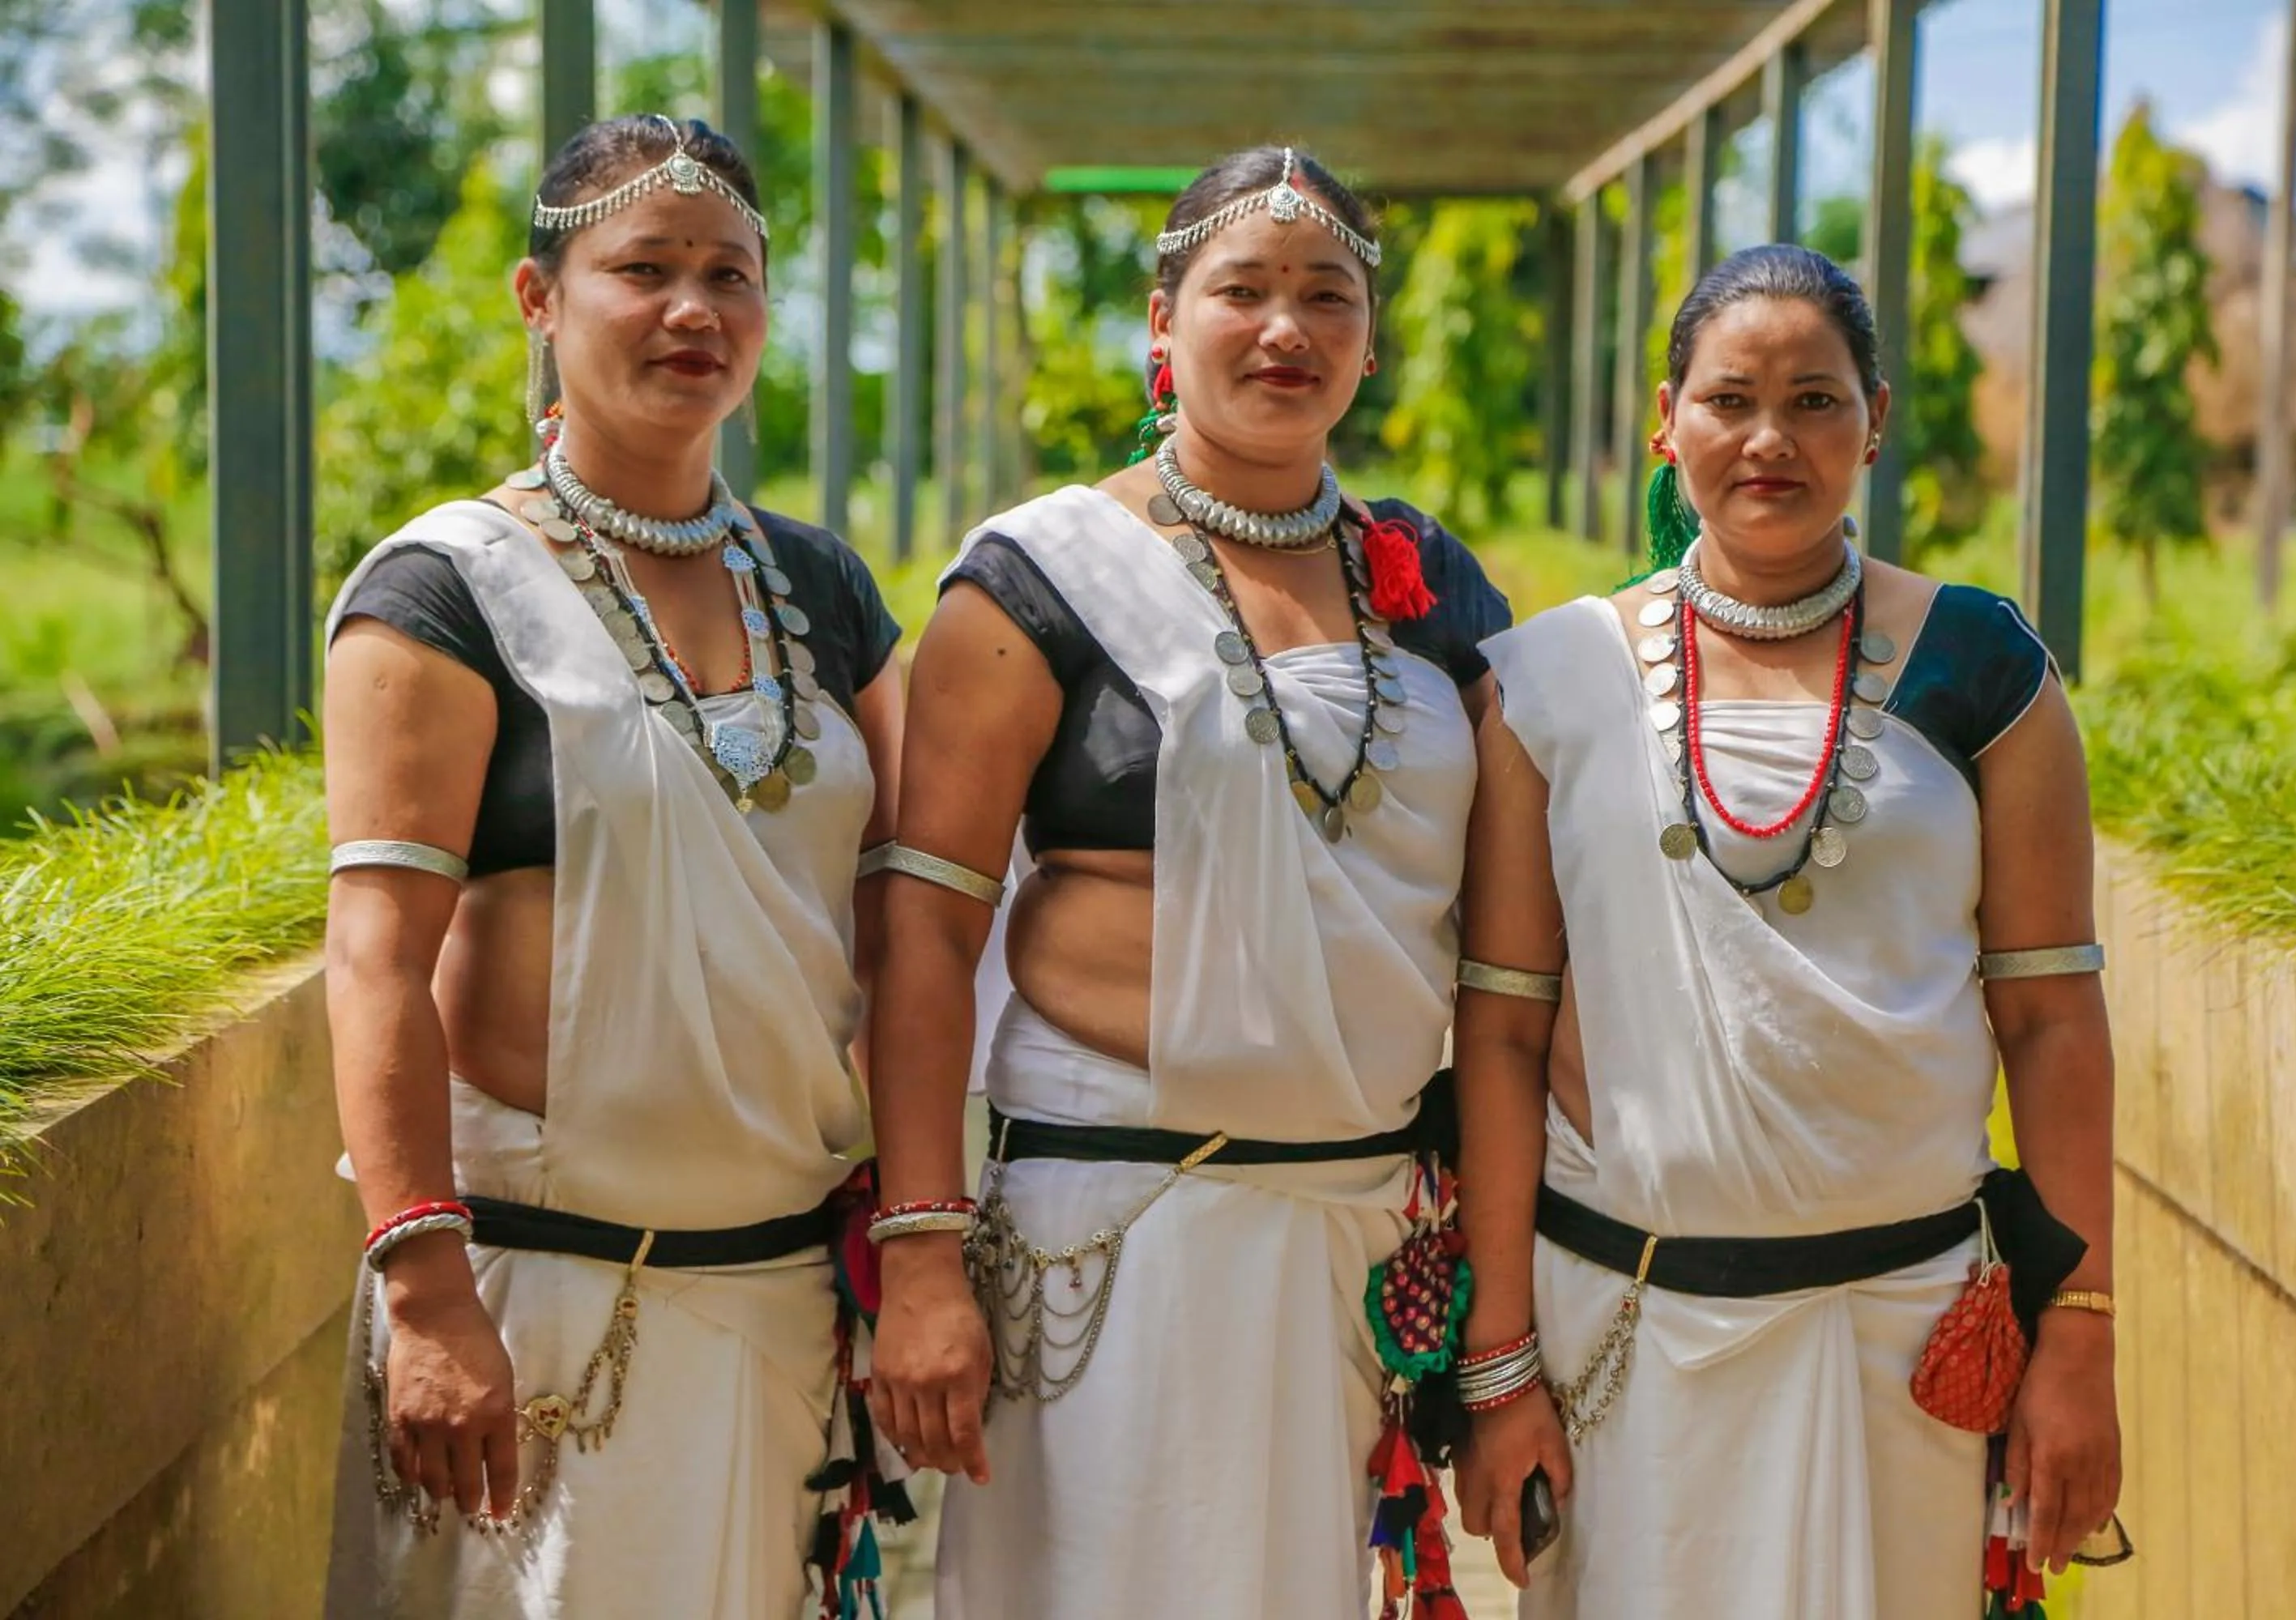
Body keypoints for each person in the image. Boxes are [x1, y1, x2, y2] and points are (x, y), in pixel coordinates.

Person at [860, 147, 1513, 1618]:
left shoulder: (1440, 591)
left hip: (1350, 1236)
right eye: (1244, 291)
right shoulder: (1039, 578)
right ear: (1163, 325)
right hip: (1108, 1235)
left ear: (1366, 336)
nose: (1286, 328)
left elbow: (1510, 939)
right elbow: (920, 933)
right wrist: (918, 1258)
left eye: (1326, 296)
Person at [1450, 244, 2123, 1618]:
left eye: (1817, 401)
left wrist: (2080, 1342)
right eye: (1731, 398)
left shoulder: (1986, 670)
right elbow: (1505, 1036)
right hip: (1629, 1344)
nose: (1771, 438)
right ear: (1668, 419)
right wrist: (1500, 1362)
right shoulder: (1556, 679)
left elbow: (2052, 1021)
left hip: (1907, 1346)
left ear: (1875, 420)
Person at [318, 113, 905, 1620]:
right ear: (540, 298)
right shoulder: (447, 590)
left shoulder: (825, 591)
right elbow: (376, 961)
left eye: (730, 275)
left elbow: (919, 907)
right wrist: (428, 1296)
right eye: (642, 268)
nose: (692, 310)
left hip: (780, 1302)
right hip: (531, 1304)